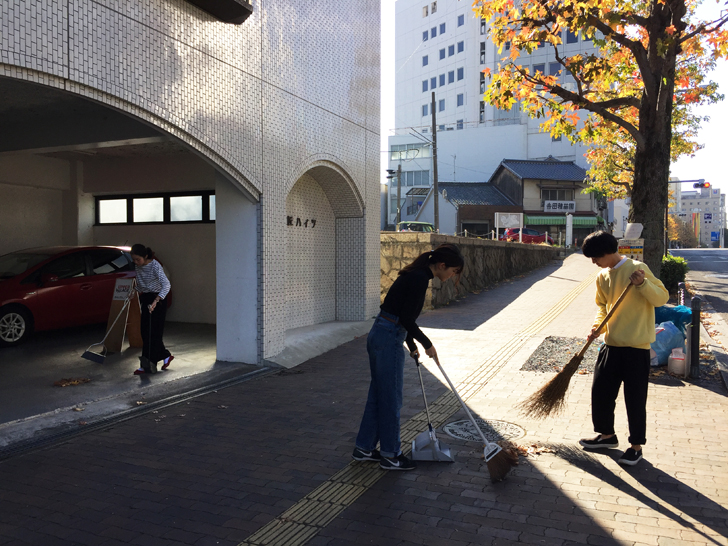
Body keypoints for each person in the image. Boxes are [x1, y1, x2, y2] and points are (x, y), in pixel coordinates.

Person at [353, 243, 464, 471]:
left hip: (382, 333)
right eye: (453, 271)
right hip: (389, 337)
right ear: (442, 265)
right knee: (391, 398)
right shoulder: (419, 279)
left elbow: (398, 313)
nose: (452, 276)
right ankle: (391, 455)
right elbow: (405, 318)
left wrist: (411, 343)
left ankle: (364, 448)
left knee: (379, 394)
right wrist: (427, 344)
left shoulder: (416, 275)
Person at [578, 231, 668, 466]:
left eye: (595, 257)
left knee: (635, 399)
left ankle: (636, 446)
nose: (593, 262)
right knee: (601, 393)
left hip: (636, 348)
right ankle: (607, 436)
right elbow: (602, 306)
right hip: (611, 344)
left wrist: (643, 285)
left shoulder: (637, 268)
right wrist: (598, 327)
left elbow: (661, 298)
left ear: (607, 252)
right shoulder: (602, 276)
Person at [130, 244, 173, 375]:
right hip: (147, 298)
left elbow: (166, 285)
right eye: (134, 259)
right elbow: (143, 285)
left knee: (153, 332)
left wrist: (156, 301)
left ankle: (147, 365)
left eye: (138, 259)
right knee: (145, 331)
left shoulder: (155, 266)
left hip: (158, 299)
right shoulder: (138, 266)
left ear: (146, 256)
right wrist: (134, 291)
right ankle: (165, 355)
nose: (136, 262)